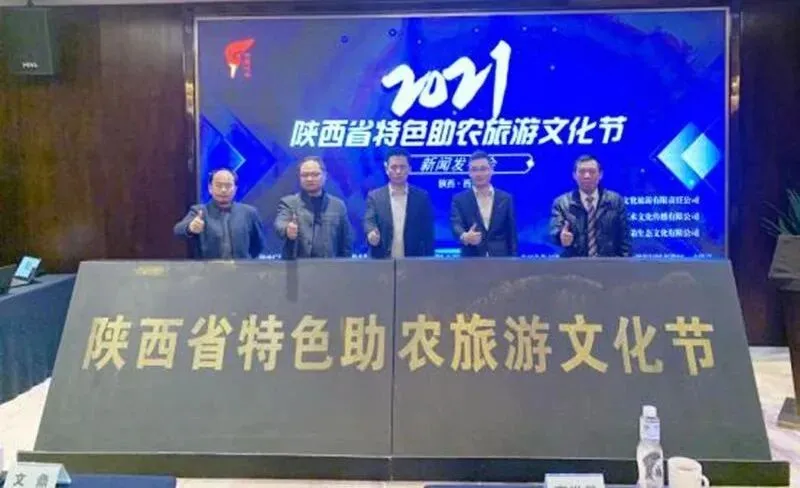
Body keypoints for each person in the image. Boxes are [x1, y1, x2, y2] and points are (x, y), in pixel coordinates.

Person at [173, 168, 266, 259]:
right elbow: (178, 229)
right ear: (210, 188)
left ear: (235, 189)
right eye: (218, 185)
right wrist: (190, 228)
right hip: (208, 268)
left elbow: (258, 245)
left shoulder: (249, 213)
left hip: (241, 267)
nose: (223, 190)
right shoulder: (199, 211)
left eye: (228, 186)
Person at [549, 154, 632, 257]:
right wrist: (560, 237)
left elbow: (625, 239)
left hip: (609, 263)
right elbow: (555, 231)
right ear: (574, 175)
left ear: (600, 175)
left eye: (592, 172)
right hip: (574, 264)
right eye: (582, 172)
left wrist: (625, 263)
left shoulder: (615, 201)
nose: (587, 176)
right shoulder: (562, 203)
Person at [274, 156, 353, 259]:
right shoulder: (288, 203)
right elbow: (280, 224)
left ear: (325, 176)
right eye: (305, 175)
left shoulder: (338, 206)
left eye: (315, 174)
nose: (309, 179)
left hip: (330, 266)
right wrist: (287, 230)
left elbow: (346, 243)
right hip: (297, 266)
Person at [364, 148, 435, 259]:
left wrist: (429, 261)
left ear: (409, 169)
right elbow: (369, 221)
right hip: (382, 262)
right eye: (394, 167)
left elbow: (428, 234)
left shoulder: (421, 197)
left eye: (402, 167)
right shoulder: (375, 197)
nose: (398, 171)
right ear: (386, 169)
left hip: (413, 262)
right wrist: (371, 234)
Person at [450, 150, 518, 257]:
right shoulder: (460, 199)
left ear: (491, 170)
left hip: (501, 259)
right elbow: (456, 224)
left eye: (483, 169)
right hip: (472, 258)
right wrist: (464, 236)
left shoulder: (505, 199)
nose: (479, 174)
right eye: (474, 170)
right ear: (469, 173)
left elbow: (511, 234)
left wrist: (514, 260)